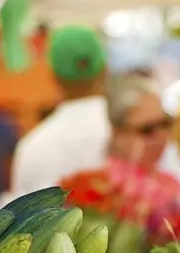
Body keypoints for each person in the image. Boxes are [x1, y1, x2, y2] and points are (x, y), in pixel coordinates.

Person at [11, 25, 110, 193]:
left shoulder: (32, 146)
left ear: (54, 77)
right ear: (105, 70)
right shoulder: (137, 133)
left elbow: (18, 213)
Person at [105, 75, 180, 184]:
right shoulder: (105, 185)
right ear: (116, 132)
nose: (161, 136)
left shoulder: (170, 182)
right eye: (147, 129)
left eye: (164, 123)